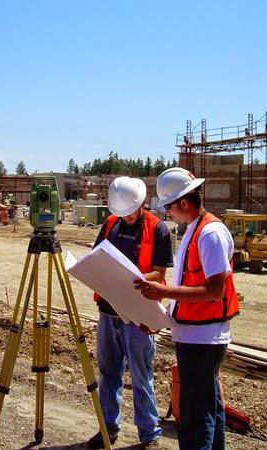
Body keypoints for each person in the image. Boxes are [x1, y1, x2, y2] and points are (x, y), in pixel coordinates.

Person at [135, 167, 240, 450]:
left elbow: (215, 291)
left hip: (203, 340)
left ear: (183, 202)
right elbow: (188, 288)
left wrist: (163, 291)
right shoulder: (194, 231)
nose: (167, 212)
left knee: (195, 417)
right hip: (194, 335)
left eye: (168, 206)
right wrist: (163, 318)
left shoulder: (210, 234)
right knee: (209, 409)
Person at [88, 176, 173, 450]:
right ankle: (107, 429)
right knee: (108, 372)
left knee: (141, 375)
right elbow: (97, 259)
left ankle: (149, 435)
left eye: (130, 213)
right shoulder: (111, 223)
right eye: (121, 214)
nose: (126, 218)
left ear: (141, 204)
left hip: (138, 316)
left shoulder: (157, 229)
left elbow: (159, 273)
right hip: (108, 312)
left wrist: (130, 279)